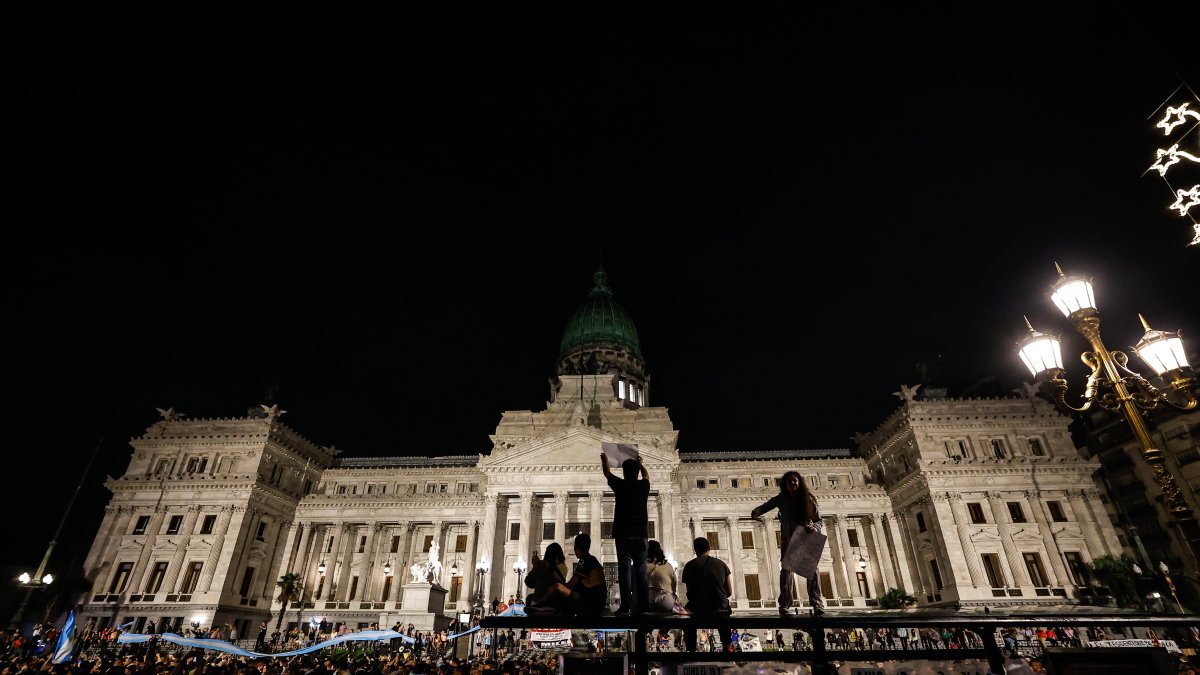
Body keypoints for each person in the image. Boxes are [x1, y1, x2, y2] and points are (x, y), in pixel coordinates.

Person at [750, 470, 825, 615]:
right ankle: (784, 605)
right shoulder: (781, 499)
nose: (793, 483)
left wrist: (814, 527)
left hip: (805, 536)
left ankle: (817, 603)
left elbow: (818, 521)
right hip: (789, 538)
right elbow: (766, 506)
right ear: (785, 484)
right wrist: (756, 512)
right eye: (789, 481)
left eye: (795, 480)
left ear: (799, 482)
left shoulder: (809, 499)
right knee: (786, 572)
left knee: (813, 571)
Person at [600, 451, 651, 615]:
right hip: (640, 535)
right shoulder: (643, 486)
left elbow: (607, 473)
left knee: (624, 570)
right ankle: (644, 605)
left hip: (623, 534)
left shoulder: (620, 485)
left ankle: (625, 605)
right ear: (636, 472)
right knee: (641, 571)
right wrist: (641, 464)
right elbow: (647, 476)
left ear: (624, 472)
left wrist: (605, 459)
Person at [681, 536, 733, 653]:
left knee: (687, 619)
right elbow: (729, 592)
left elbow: (690, 593)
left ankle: (691, 651)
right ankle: (728, 650)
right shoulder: (721, 564)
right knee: (725, 632)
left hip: (698, 611)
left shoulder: (689, 566)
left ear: (695, 550)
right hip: (720, 612)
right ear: (709, 548)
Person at [567, 532, 607, 616]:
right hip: (598, 603)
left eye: (575, 547)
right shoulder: (592, 559)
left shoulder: (584, 560)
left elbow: (572, 583)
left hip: (589, 604)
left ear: (577, 547)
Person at [524, 542, 570, 614]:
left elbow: (529, 582)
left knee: (529, 598)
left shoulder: (542, 565)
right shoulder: (564, 567)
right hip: (557, 602)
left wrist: (535, 565)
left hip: (540, 601)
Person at [646, 540, 684, 614]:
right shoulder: (668, 566)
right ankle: (682, 613)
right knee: (677, 606)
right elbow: (673, 587)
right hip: (664, 601)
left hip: (643, 602)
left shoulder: (639, 565)